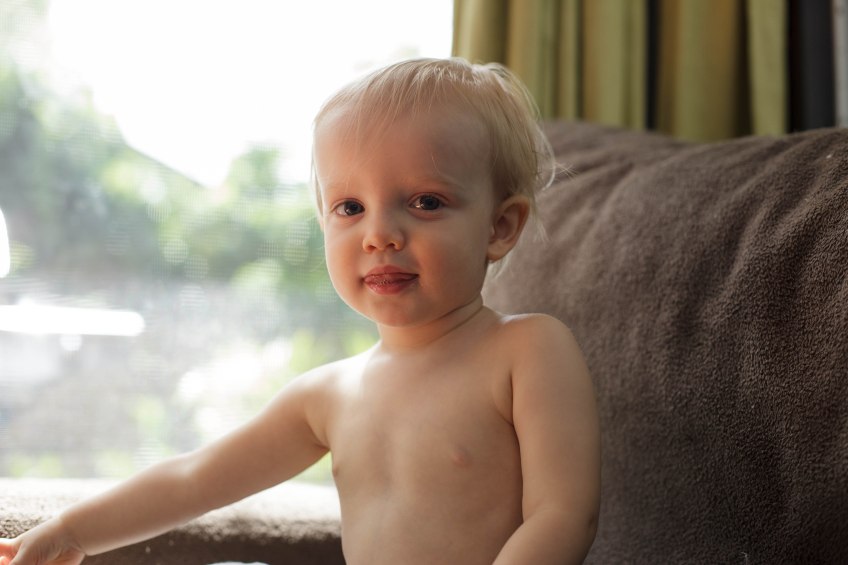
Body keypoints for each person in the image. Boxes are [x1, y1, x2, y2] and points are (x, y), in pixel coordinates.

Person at [0, 57, 601, 565]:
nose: (379, 234)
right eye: (349, 208)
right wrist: (72, 532)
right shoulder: (326, 396)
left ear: (500, 226)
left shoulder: (527, 351)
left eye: (425, 201)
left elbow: (563, 515)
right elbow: (193, 479)